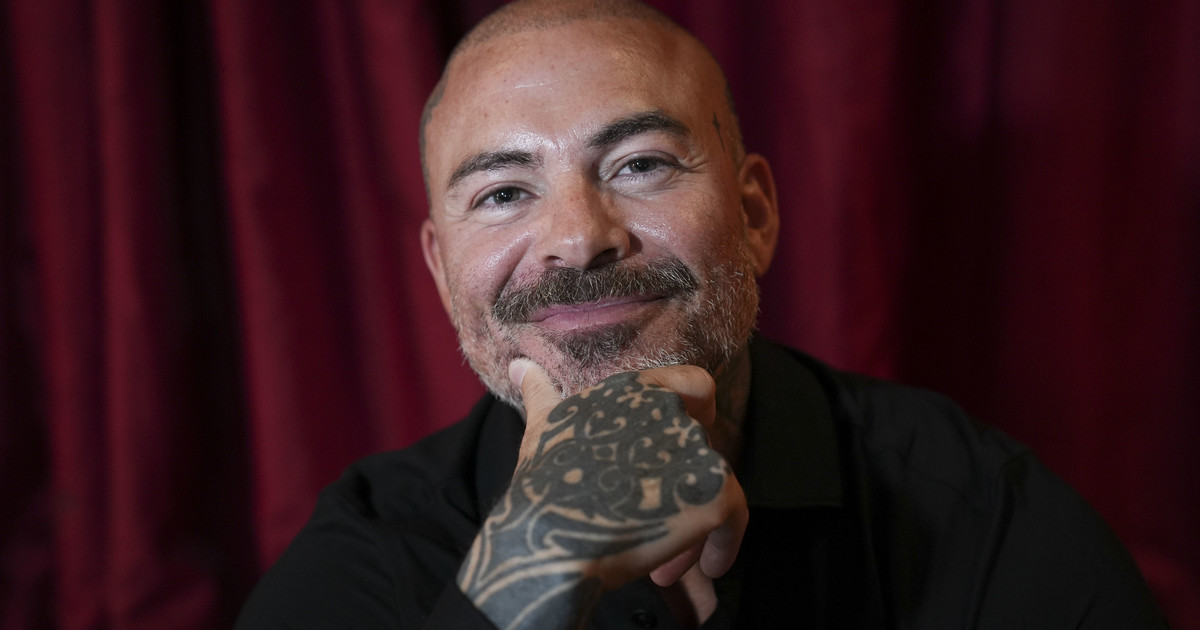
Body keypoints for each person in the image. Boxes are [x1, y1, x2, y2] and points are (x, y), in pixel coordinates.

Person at [235, 1, 1167, 628]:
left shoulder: (984, 516)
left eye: (640, 164)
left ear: (754, 216)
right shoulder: (368, 552)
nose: (579, 239)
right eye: (504, 193)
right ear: (443, 273)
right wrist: (528, 566)